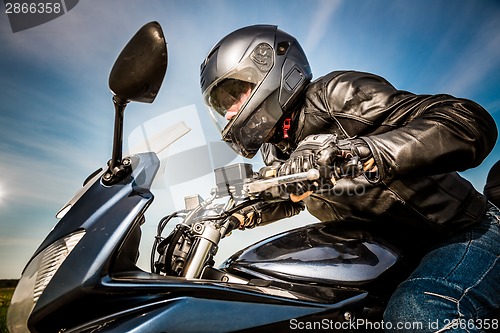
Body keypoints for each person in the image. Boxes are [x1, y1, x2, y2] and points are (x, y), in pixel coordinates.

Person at [200, 25, 499, 331]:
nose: (229, 113)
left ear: (269, 67)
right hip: (389, 252)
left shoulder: (337, 95)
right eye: (222, 105)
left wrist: (358, 151)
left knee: (419, 309)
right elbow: (290, 196)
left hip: (464, 231)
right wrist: (233, 214)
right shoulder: (277, 150)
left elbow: (467, 121)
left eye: (235, 93)